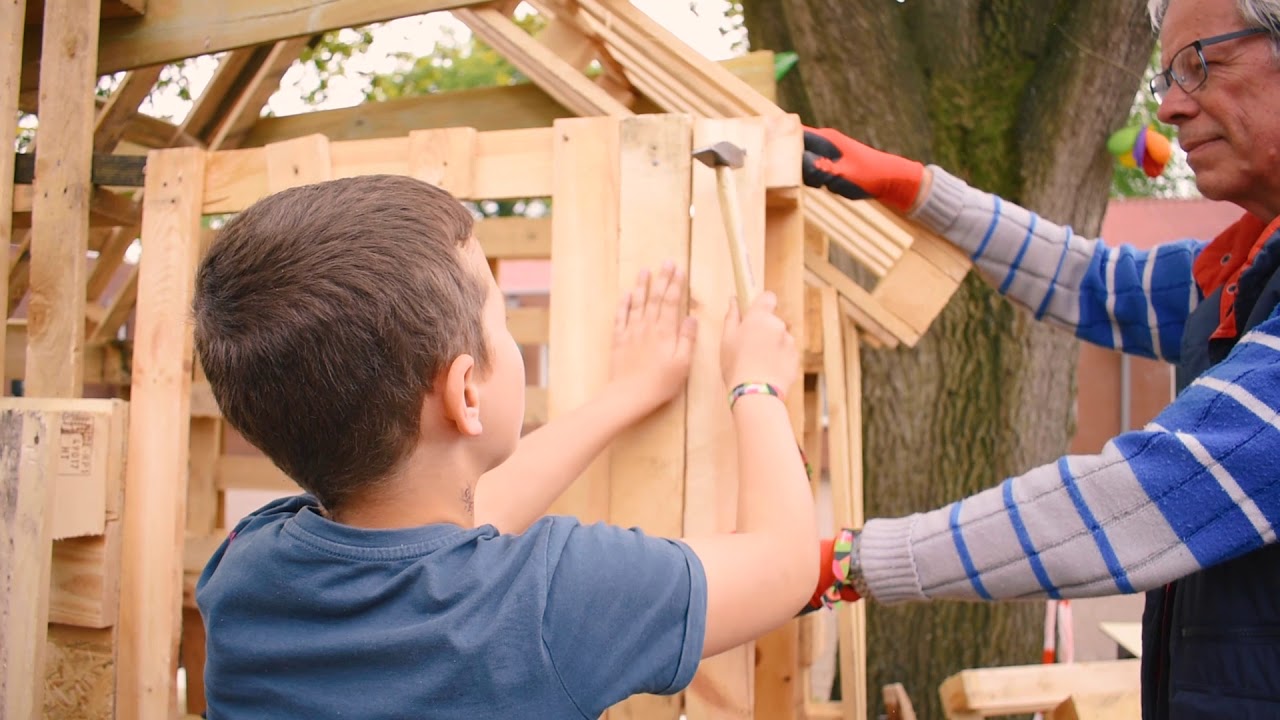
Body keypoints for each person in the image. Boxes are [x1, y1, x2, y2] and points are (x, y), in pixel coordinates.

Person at [799, 0, 1280, 716]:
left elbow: (1149, 493)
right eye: (1168, 78)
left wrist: (846, 563)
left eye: (1200, 64)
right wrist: (918, 191)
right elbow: (1097, 283)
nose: (1174, 107)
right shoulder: (1247, 266)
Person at [192, 173, 818, 718]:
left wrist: (624, 397)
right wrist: (756, 385)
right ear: (466, 392)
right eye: (503, 321)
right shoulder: (556, 600)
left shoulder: (245, 569)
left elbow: (437, 540)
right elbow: (785, 566)